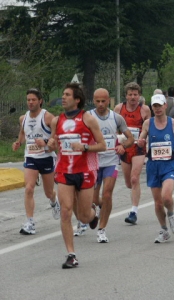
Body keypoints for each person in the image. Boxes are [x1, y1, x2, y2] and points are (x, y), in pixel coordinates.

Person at [47, 83, 106, 268]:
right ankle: (71, 254)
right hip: (64, 171)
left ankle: (93, 213)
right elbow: (54, 144)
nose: (63, 97)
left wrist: (85, 147)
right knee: (65, 211)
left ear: (77, 99)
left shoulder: (88, 119)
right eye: (63, 94)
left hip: (85, 171)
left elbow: (102, 145)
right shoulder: (57, 121)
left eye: (67, 95)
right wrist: (49, 144)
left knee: (82, 217)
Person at [85, 88, 134, 242]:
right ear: (93, 101)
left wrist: (123, 146)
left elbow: (130, 138)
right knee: (93, 198)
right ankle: (99, 207)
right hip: (93, 162)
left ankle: (102, 229)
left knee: (107, 194)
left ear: (109, 101)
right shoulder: (88, 117)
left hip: (111, 161)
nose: (100, 104)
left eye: (103, 101)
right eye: (97, 101)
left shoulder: (116, 118)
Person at [137, 94, 174, 243]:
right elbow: (142, 138)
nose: (157, 109)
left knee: (166, 196)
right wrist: (141, 142)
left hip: (169, 165)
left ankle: (171, 214)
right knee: (158, 203)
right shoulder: (147, 123)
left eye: (160, 105)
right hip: (153, 165)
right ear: (152, 107)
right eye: (155, 106)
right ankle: (164, 230)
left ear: (166, 105)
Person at [12, 88, 60, 235]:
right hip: (31, 157)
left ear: (40, 101)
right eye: (28, 100)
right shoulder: (23, 118)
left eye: (33, 100)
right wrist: (18, 142)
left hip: (46, 158)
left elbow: (56, 139)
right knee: (29, 188)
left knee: (48, 192)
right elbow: (23, 133)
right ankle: (30, 222)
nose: (31, 102)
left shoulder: (48, 117)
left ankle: (54, 202)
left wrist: (45, 141)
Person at [114, 82, 151, 224]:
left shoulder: (145, 110)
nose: (133, 97)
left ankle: (134, 212)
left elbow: (149, 127)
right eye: (130, 94)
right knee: (129, 183)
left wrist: (144, 139)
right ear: (126, 96)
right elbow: (114, 128)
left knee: (135, 178)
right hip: (124, 147)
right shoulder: (119, 108)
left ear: (139, 95)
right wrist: (119, 144)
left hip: (138, 147)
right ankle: (134, 196)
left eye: (135, 94)